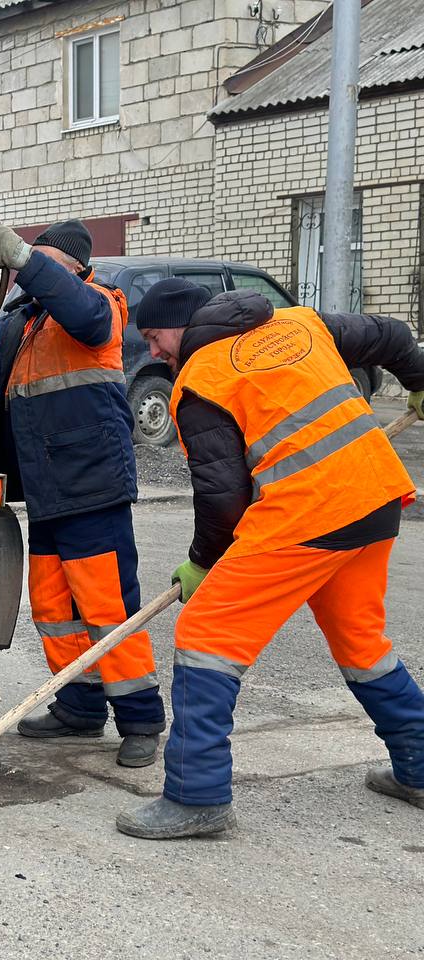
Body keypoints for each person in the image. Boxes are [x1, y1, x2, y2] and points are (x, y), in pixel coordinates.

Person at [117, 278, 424, 839]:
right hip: (375, 499)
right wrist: (421, 381)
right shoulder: (300, 323)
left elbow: (221, 495)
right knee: (363, 646)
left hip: (308, 512)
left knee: (206, 636)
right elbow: (392, 334)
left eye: (157, 338)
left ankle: (196, 796)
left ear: (184, 325)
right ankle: (421, 771)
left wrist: (204, 563)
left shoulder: (202, 381)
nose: (156, 353)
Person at [0, 219, 166, 767]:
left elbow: (84, 312)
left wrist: (28, 260)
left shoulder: (101, 305)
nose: (31, 268)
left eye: (44, 260)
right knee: (53, 606)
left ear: (75, 266)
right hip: (47, 486)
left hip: (91, 483)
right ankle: (79, 705)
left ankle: (142, 719)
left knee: (108, 606)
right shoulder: (24, 320)